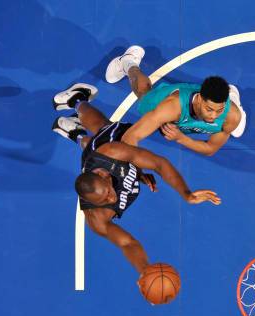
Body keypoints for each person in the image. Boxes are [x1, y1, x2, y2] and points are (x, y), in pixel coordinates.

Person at [52, 83, 221, 274]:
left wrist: (187, 194)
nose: (112, 199)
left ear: (104, 175)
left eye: (108, 193)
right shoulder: (96, 218)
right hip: (95, 161)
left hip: (107, 149)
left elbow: (159, 164)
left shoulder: (113, 152)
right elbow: (127, 243)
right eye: (104, 201)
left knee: (104, 128)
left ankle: (77, 100)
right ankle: (75, 132)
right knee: (91, 143)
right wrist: (144, 270)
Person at [104, 45, 247, 156]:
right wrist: (135, 169)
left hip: (199, 116)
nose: (214, 116)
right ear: (199, 100)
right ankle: (128, 62)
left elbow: (210, 149)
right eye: (209, 109)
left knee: (233, 117)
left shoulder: (231, 117)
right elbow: (131, 136)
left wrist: (180, 138)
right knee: (144, 94)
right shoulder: (172, 106)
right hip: (176, 103)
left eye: (219, 110)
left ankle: (232, 96)